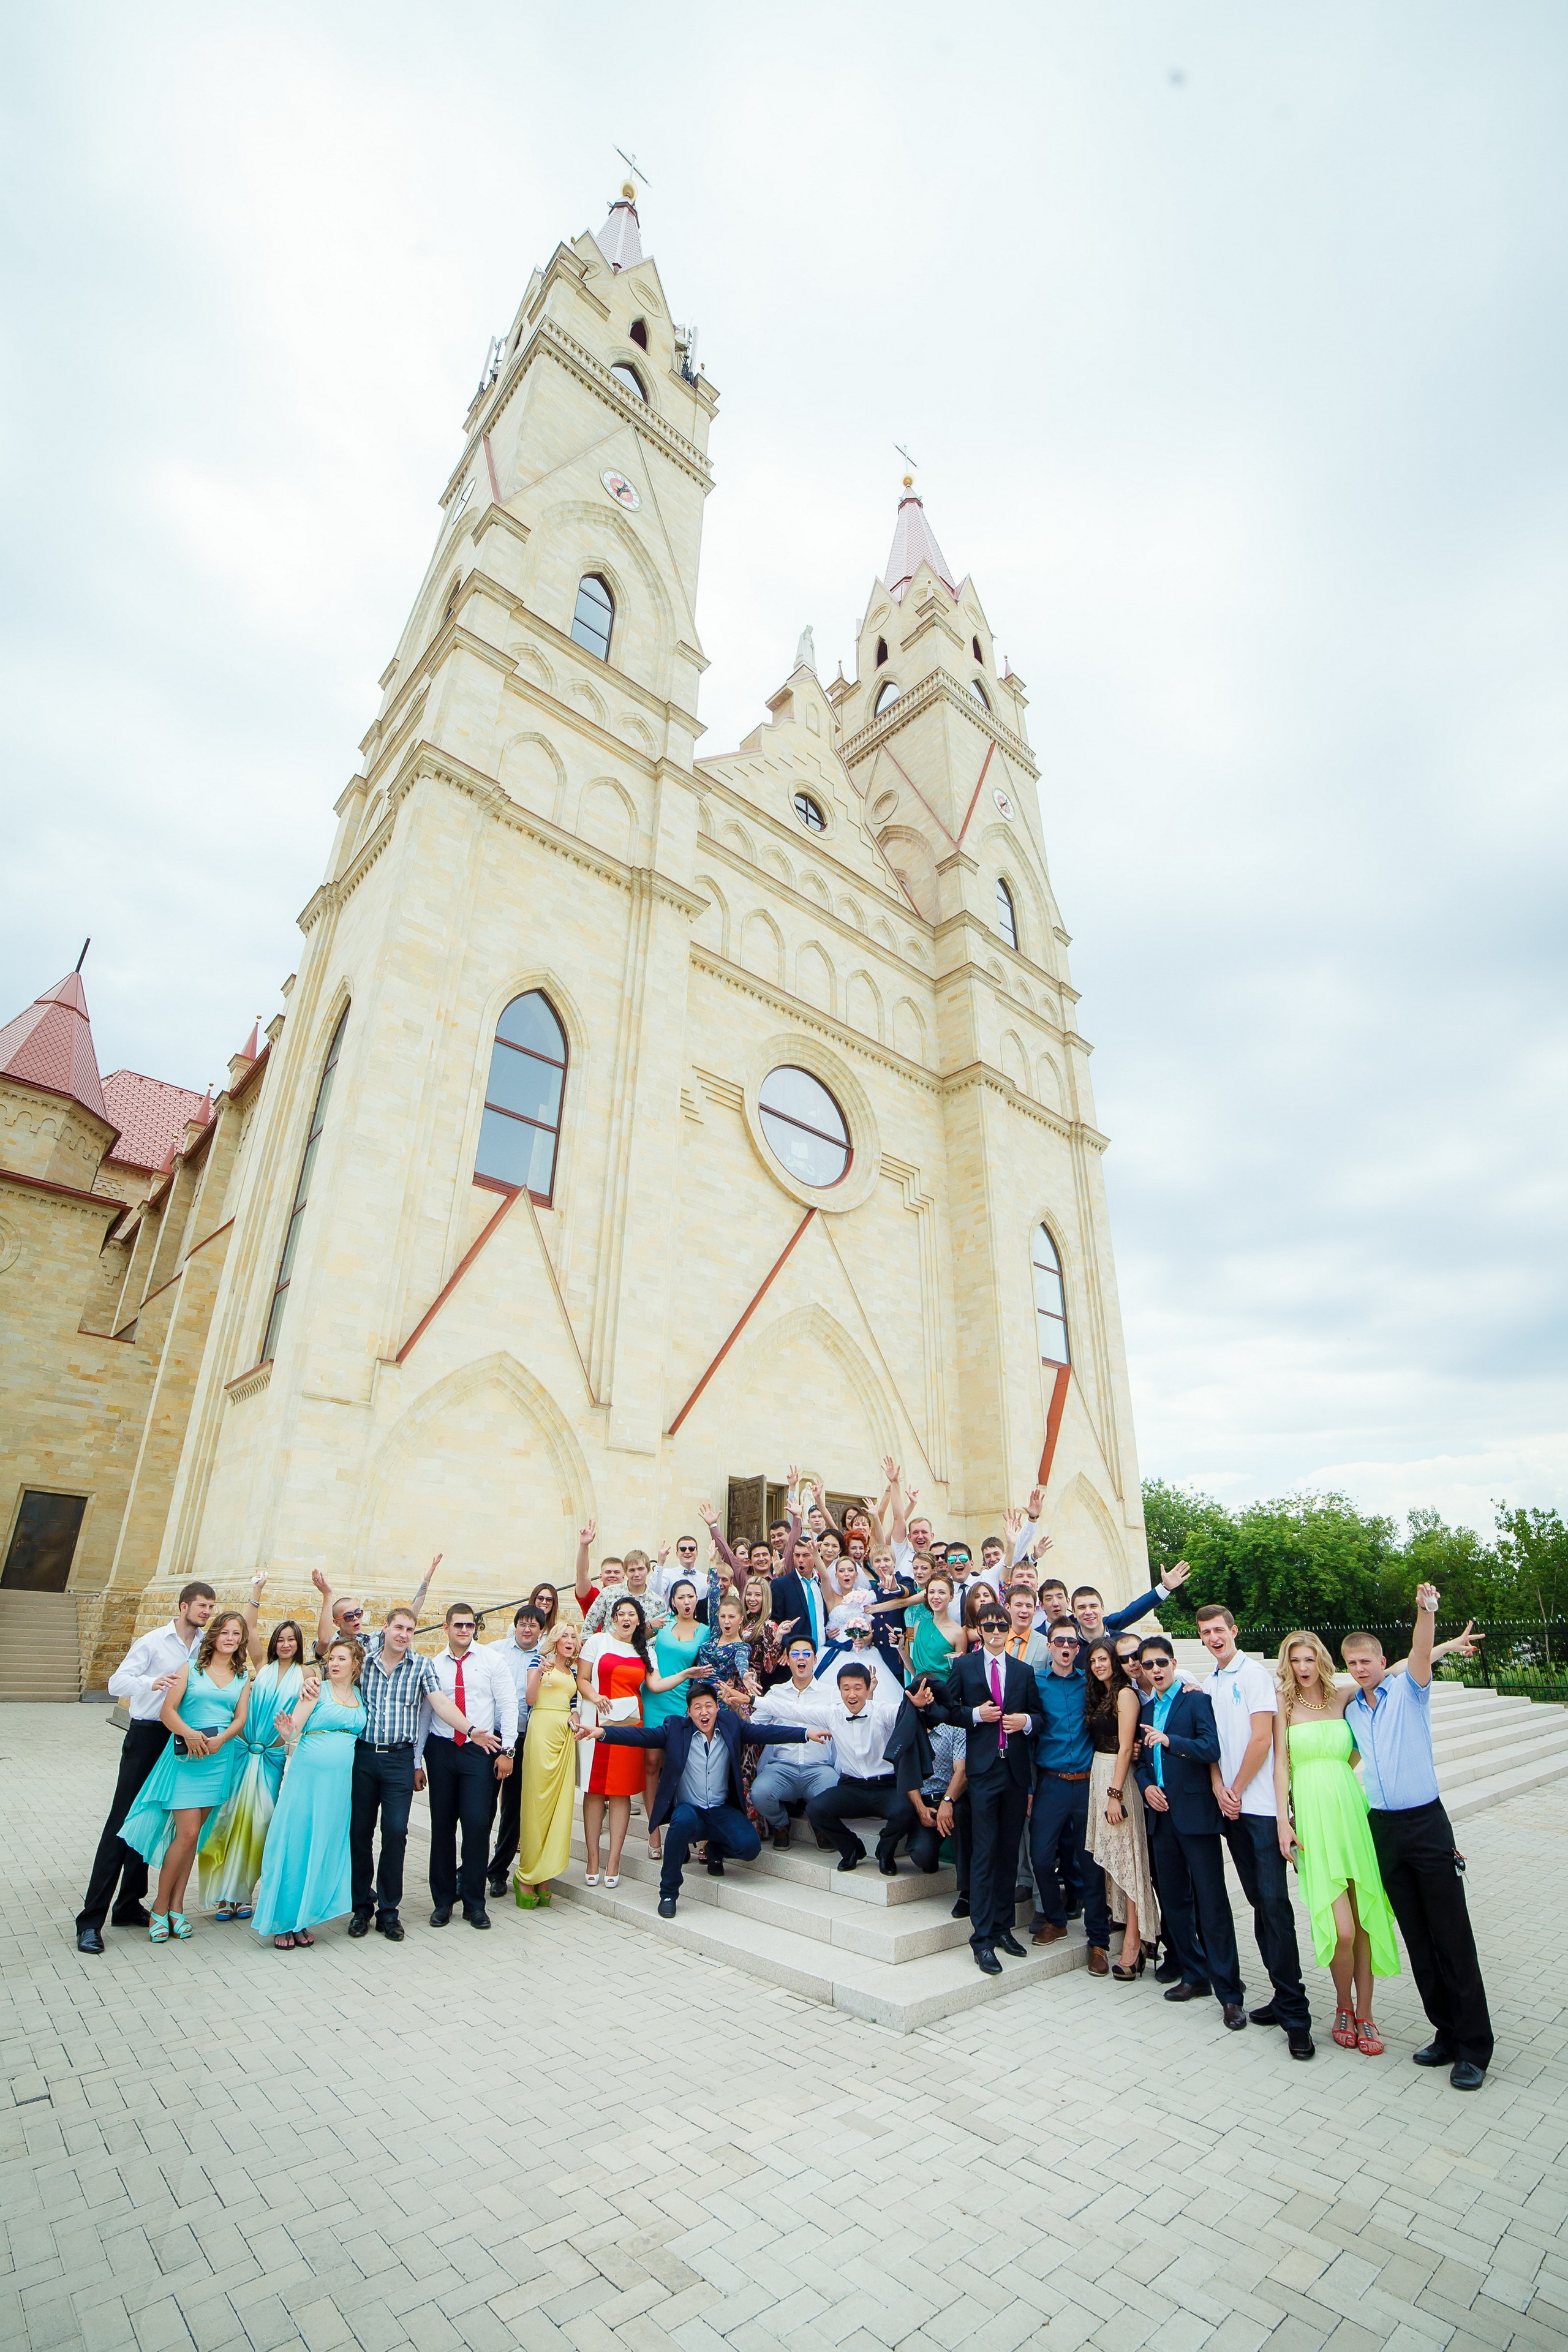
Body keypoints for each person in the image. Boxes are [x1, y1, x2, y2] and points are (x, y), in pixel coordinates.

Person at [1344, 1583, 1494, 2090]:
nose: (1361, 1669)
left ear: (1382, 1660)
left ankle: (1475, 2047)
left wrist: (1426, 1611)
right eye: (1354, 1663)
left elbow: (1421, 1650)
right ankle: (1446, 2032)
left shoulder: (1410, 1687)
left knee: (1453, 1937)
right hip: (1383, 1830)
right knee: (1419, 1939)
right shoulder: (1353, 1710)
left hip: (1427, 1824)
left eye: (1368, 1661)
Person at [593, 1681, 828, 1914]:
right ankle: (668, 1894)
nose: (704, 1712)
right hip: (690, 1811)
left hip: (720, 1810)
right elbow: (641, 1737)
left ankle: (716, 1849)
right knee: (681, 1823)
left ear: (717, 1708)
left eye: (708, 1706)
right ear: (689, 1712)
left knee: (750, 1847)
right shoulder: (675, 1729)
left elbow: (766, 1732)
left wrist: (806, 1734)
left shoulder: (731, 1725)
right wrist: (603, 1733)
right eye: (697, 1707)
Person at [1194, 1604, 1314, 2057]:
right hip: (1233, 1809)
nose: (1213, 1637)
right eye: (1206, 1633)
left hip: (1261, 1809)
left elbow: (1262, 1740)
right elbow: (1213, 1748)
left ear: (1233, 1631)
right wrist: (1220, 1788)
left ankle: (1297, 2017)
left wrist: (1238, 1788)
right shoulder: (1210, 1684)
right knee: (1260, 1905)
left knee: (1276, 1908)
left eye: (1219, 1630)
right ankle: (1283, 1999)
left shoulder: (1255, 1676)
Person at [1272, 1630, 1400, 2054]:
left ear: (1321, 1660)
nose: (1303, 1668)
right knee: (1342, 1930)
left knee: (1364, 1921)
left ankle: (1364, 2013)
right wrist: (1283, 1822)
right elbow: (1281, 1770)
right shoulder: (1284, 1706)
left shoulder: (1344, 1696)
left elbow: (1394, 1671)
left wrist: (1438, 1647)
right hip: (1311, 1818)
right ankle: (1341, 2005)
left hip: (1351, 1812)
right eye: (1296, 1661)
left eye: (1309, 1659)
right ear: (1288, 1665)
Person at [76, 1580, 216, 1951]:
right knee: (122, 1823)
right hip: (146, 1735)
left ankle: (128, 1904)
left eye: (210, 1607)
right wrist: (152, 1682)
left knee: (152, 1818)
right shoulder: (154, 1641)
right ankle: (91, 1920)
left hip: (178, 1741)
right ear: (184, 1606)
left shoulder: (204, 1647)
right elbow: (115, 1682)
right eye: (201, 1606)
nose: (206, 1612)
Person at [336, 1600, 482, 1942]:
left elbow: (441, 1702)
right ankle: (361, 1907)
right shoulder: (364, 1660)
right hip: (364, 1756)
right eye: (398, 1628)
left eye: (410, 1630)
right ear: (385, 1628)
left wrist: (472, 1730)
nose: (404, 1635)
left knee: (396, 1833)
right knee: (360, 1833)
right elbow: (333, 1660)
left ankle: (389, 1911)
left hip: (400, 1760)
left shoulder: (421, 1666)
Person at [1134, 1637, 1248, 2032]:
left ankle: (1230, 1994)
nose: (1156, 1671)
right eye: (1148, 1666)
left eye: (1161, 1663)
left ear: (1174, 1663)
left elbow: (1211, 1748)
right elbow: (1141, 1762)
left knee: (1212, 1904)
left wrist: (1170, 1741)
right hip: (1162, 1819)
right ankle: (1195, 1974)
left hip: (1197, 1816)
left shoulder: (1195, 1700)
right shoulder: (1147, 1708)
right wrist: (1146, 1784)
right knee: (1175, 1902)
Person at [119, 1610, 252, 1939]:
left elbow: (240, 1718)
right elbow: (167, 1711)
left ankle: (178, 1908)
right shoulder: (189, 1669)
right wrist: (191, 1734)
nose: (231, 1638)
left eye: (237, 1634)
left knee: (194, 1837)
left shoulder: (241, 1676)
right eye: (225, 1632)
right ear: (215, 1635)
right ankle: (160, 1907)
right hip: (186, 1758)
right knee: (188, 1833)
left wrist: (223, 1739)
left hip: (219, 1759)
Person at [933, 1601, 1044, 1973]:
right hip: (982, 1771)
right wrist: (975, 1715)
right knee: (984, 1853)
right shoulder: (964, 1666)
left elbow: (1040, 1717)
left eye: (1002, 1626)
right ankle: (980, 1939)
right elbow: (947, 1710)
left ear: (1009, 1629)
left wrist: (1026, 1721)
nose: (995, 1633)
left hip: (1014, 1772)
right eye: (989, 1626)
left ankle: (1002, 1927)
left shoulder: (1023, 1670)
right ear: (979, 1630)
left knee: (1008, 1852)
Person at [251, 1635, 368, 1948]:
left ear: (356, 1664)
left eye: (342, 1659)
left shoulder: (360, 1695)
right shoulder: (317, 1688)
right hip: (308, 1779)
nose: (335, 1663)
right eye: (332, 1658)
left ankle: (304, 1918)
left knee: (323, 1844)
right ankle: (282, 1920)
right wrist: (288, 1730)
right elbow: (295, 1727)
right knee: (297, 1841)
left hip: (340, 1787)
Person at [415, 1601, 516, 1929]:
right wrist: (417, 1761)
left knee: (476, 1826)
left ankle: (475, 1903)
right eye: (457, 1625)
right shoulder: (433, 1665)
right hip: (442, 1750)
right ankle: (443, 1902)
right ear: (445, 1628)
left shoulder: (491, 1660)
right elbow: (426, 1715)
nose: (463, 1631)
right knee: (442, 1827)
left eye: (469, 1626)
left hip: (480, 1750)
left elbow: (508, 1705)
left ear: (475, 1628)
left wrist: (508, 1751)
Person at [201, 1612, 307, 1920]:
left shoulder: (307, 1674)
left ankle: (244, 1893)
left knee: (259, 1825)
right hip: (241, 1753)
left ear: (299, 1644)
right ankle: (222, 1896)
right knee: (226, 1820)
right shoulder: (261, 1665)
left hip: (271, 1759)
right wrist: (256, 1591)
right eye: (281, 1639)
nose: (286, 1644)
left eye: (292, 1640)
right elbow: (250, 1626)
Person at [1027, 1621, 1113, 1971]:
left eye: (1072, 1642)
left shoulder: (1091, 1685)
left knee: (1090, 1863)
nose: (1066, 1646)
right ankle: (1057, 1919)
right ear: (1048, 1646)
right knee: (1042, 1858)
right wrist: (1030, 1789)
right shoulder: (1034, 1684)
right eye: (1059, 1641)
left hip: (1089, 1784)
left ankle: (1098, 1942)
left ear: (1078, 1648)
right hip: (1051, 1783)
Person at [1083, 1638, 1161, 1980]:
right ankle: (1134, 1932)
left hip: (1118, 1778)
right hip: (1099, 1776)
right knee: (1113, 1861)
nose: (1099, 1665)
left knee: (1127, 1859)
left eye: (1104, 1659)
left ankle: (1136, 1939)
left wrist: (1115, 1793)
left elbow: (1128, 1746)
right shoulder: (1100, 1694)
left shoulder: (1125, 1694)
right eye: (1094, 1660)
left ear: (1115, 1661)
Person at [804, 1659, 923, 1872]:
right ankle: (851, 1849)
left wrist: (918, 1704)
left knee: (905, 1810)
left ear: (868, 1689)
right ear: (839, 1690)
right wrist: (752, 1699)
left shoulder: (882, 1711)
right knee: (816, 1808)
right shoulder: (833, 1713)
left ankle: (885, 1851)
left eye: (858, 1688)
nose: (852, 1694)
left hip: (886, 1786)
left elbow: (905, 1712)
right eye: (846, 1689)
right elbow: (791, 1709)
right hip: (852, 1787)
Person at [578, 1594, 657, 1887]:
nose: (627, 1619)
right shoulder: (597, 1642)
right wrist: (595, 1696)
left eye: (632, 1615)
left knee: (622, 1791)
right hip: (597, 1721)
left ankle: (613, 1862)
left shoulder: (646, 1651)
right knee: (595, 1790)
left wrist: (687, 1675)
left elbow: (655, 1685)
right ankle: (592, 1859)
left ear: (639, 1620)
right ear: (614, 1618)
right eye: (621, 1614)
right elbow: (582, 1679)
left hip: (628, 1725)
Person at [514, 1624, 593, 1904]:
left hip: (564, 1737)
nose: (570, 1641)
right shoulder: (539, 1661)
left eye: (574, 1637)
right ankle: (526, 1874)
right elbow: (530, 1699)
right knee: (537, 1801)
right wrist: (539, 1671)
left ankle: (545, 1873)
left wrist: (574, 1718)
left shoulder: (572, 1673)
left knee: (558, 1805)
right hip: (541, 1731)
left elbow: (572, 1705)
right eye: (565, 1636)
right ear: (555, 1640)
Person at [748, 1632, 841, 1842]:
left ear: (814, 1659)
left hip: (819, 1768)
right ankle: (781, 1824)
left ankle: (821, 1825)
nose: (802, 1658)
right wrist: (738, 1708)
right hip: (783, 1767)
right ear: (787, 1659)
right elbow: (754, 1725)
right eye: (796, 1654)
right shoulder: (776, 1693)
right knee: (760, 1793)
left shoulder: (832, 1694)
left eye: (807, 1654)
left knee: (837, 1794)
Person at [486, 1603, 547, 1897]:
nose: (527, 1629)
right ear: (516, 1626)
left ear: (541, 1630)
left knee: (513, 1809)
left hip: (525, 1737)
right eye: (523, 1624)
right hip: (491, 1735)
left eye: (533, 1626)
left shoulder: (544, 1658)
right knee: (482, 1806)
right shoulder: (494, 1651)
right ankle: (469, 1868)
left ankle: (498, 1871)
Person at [643, 1578, 707, 1856]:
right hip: (653, 1698)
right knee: (651, 1765)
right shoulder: (661, 1624)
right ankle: (653, 1832)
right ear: (672, 1601)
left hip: (682, 1705)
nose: (686, 1601)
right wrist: (646, 1627)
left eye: (691, 1596)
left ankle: (682, 1835)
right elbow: (633, 1640)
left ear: (696, 1600)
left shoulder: (706, 1631)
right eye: (680, 1597)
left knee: (680, 1769)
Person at [312, 1556, 439, 1658]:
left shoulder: (371, 1641)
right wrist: (327, 1595)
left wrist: (426, 1581)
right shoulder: (332, 1645)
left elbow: (409, 1617)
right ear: (336, 1622)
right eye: (349, 1616)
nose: (356, 1618)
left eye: (358, 1613)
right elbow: (323, 1641)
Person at [1070, 1562, 1191, 1643]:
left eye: (1093, 1606)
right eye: (1081, 1607)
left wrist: (1165, 1587)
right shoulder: (1068, 1642)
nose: (1088, 1612)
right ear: (1074, 1612)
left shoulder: (1119, 1639)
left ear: (1102, 1608)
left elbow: (1133, 1611)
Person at [905, 1571, 965, 1685]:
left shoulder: (958, 1632)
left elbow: (960, 1674)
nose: (936, 1597)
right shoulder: (919, 1625)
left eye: (942, 1592)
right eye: (932, 1592)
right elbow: (915, 1670)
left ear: (951, 1597)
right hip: (918, 1689)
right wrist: (901, 1649)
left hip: (944, 1691)